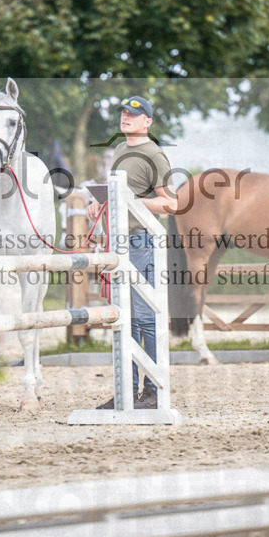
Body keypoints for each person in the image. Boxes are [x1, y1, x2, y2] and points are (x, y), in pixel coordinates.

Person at [88, 95, 177, 409]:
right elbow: (119, 194)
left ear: (147, 122)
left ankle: (152, 393)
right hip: (118, 243)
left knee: (144, 320)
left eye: (133, 114)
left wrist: (130, 204)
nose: (126, 117)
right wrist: (99, 203)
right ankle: (126, 390)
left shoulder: (155, 154)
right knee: (123, 319)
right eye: (123, 113)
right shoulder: (122, 150)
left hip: (141, 243)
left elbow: (171, 204)